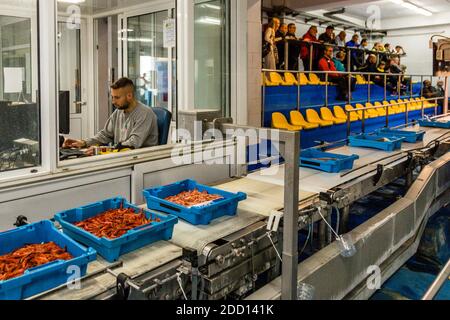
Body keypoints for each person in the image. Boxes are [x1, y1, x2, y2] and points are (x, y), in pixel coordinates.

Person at [63, 78, 159, 155]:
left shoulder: (145, 113)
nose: (113, 102)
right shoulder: (118, 112)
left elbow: (133, 144)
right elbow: (105, 134)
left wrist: (102, 150)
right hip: (121, 156)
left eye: (117, 97)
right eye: (112, 97)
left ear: (129, 96)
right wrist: (83, 142)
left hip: (140, 160)